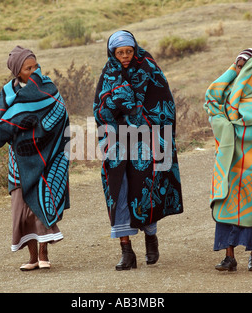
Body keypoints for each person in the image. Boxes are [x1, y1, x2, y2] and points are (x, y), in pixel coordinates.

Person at [93, 30, 184, 271]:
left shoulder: (149, 70)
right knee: (119, 192)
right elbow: (99, 111)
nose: (124, 56)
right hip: (117, 144)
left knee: (145, 191)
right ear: (112, 53)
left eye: (128, 51)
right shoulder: (108, 74)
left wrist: (136, 114)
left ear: (135, 50)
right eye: (119, 52)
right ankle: (126, 251)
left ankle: (150, 237)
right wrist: (116, 102)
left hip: (147, 143)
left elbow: (165, 108)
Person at [0, 46, 70, 271]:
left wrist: (31, 126)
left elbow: (60, 115)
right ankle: (32, 258)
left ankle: (44, 255)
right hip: (19, 158)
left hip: (45, 156)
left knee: (39, 204)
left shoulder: (47, 87)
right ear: (17, 72)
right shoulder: (8, 93)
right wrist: (16, 124)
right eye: (28, 68)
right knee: (21, 207)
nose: (35, 70)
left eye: (35, 65)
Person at [203, 48, 252, 271]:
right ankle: (229, 257)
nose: (241, 69)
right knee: (226, 209)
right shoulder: (230, 90)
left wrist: (228, 120)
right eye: (238, 64)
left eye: (245, 65)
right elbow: (211, 100)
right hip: (230, 165)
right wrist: (231, 72)